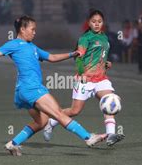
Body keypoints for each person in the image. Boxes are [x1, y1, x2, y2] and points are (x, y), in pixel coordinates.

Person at [0, 16, 105, 156]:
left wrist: (72, 54)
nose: (35, 32)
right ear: (22, 29)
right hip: (32, 89)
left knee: (41, 122)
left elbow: (51, 58)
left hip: (23, 91)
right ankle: (88, 138)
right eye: (32, 29)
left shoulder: (32, 46)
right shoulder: (14, 44)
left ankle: (13, 144)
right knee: (58, 113)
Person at [43, 9, 125, 146]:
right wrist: (82, 75)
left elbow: (99, 56)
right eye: (94, 22)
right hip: (85, 80)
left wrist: (105, 63)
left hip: (101, 79)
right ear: (88, 23)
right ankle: (51, 122)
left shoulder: (104, 37)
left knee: (109, 101)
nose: (97, 24)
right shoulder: (85, 38)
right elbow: (79, 59)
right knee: (74, 110)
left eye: (99, 21)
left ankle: (110, 135)